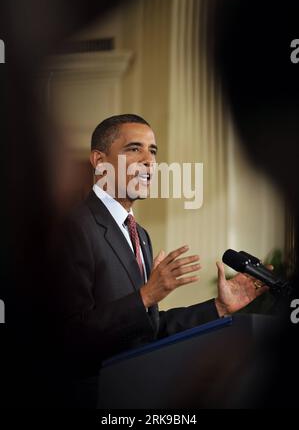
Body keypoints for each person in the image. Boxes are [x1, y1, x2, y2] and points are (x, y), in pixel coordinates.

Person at [54, 113, 268, 380]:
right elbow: (68, 335)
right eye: (134, 149)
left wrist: (219, 307)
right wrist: (145, 296)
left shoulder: (140, 235)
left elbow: (147, 331)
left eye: (153, 151)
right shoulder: (72, 228)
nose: (149, 161)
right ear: (99, 161)